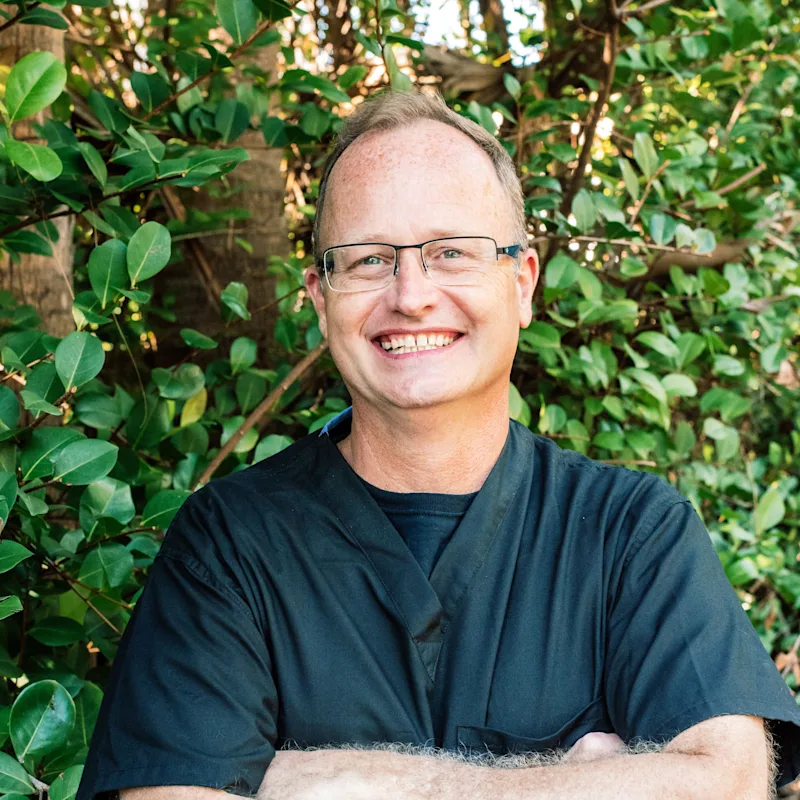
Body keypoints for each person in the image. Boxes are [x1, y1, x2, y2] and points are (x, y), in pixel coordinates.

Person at [77, 89, 800, 800]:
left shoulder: (631, 530)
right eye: (366, 260)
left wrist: (364, 783)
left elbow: (727, 782)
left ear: (522, 283)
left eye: (453, 251)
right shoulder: (227, 547)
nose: (412, 294)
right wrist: (582, 784)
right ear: (321, 298)